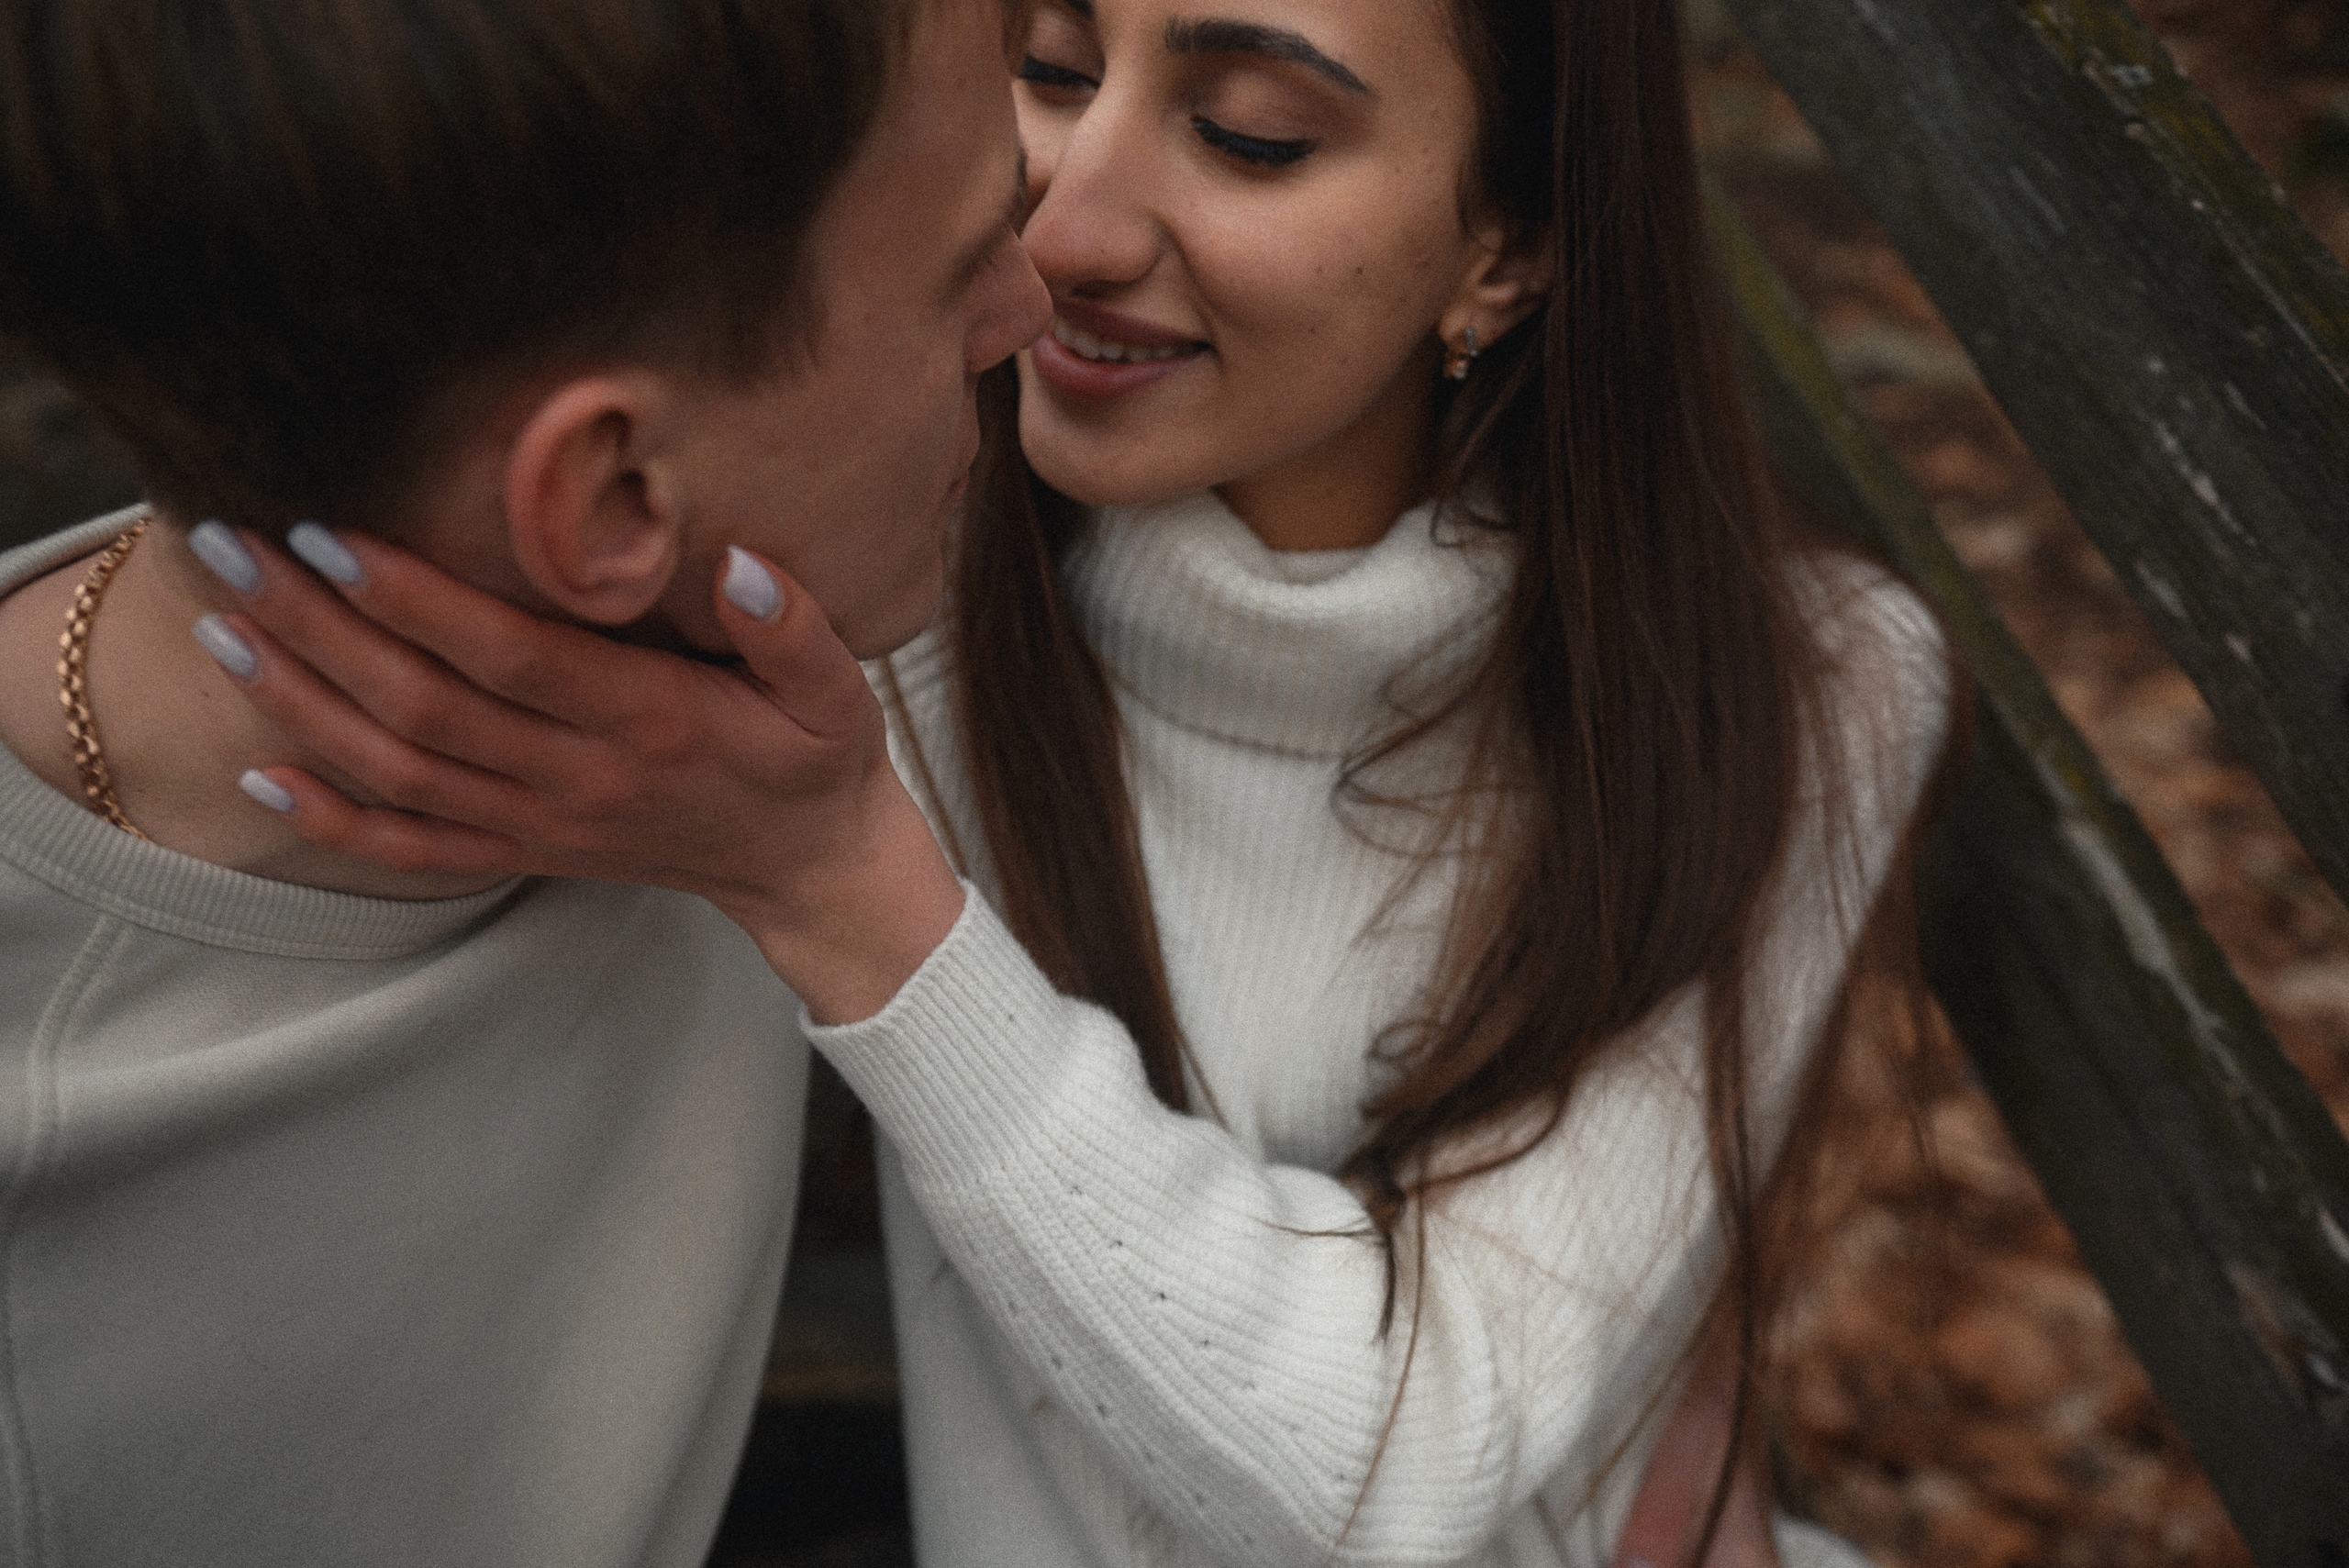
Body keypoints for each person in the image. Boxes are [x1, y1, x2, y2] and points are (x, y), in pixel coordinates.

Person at [200, 0, 1956, 1563]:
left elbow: (1388, 1471)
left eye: (1250, 132)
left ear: (1506, 241)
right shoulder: (875, 601)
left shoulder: (1810, 687)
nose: (1067, 226)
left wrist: (849, 894)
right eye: (1047, 70)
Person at [0, 0, 1048, 1562]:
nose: (1036, 302)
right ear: (613, 497)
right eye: (968, 265)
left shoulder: (748, 648)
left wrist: (829, 867)